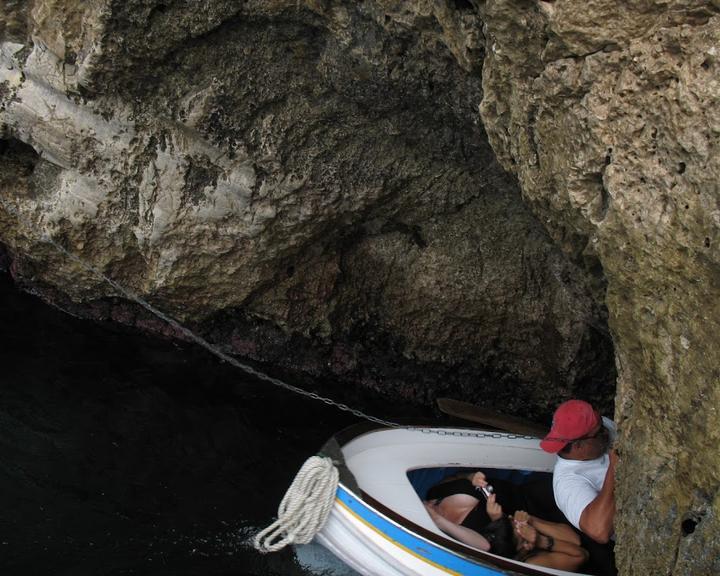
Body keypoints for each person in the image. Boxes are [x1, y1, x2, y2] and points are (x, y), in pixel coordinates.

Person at [423, 472, 588, 571]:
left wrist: (529, 520)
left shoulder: (436, 492)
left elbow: (574, 538)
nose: (512, 519)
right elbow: (579, 549)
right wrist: (539, 539)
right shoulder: (532, 561)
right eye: (513, 524)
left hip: (530, 501)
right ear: (523, 545)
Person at [540, 399, 618, 545]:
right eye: (599, 432)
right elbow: (599, 531)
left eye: (600, 421)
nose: (606, 431)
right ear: (578, 446)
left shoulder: (597, 428)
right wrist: (614, 469)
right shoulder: (567, 483)